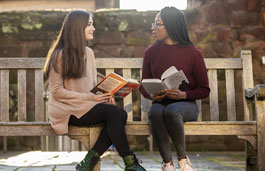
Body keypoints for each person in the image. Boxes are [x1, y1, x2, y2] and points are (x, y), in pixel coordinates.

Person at [43, 10, 146, 171]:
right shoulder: (60, 55)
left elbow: (90, 87)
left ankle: (89, 161)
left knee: (119, 113)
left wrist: (104, 96)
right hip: (67, 111)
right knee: (114, 114)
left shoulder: (88, 53)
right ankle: (129, 163)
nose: (93, 28)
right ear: (78, 27)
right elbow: (55, 91)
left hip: (85, 107)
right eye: (89, 25)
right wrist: (90, 99)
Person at [139, 7, 210, 171]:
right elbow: (143, 85)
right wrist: (152, 94)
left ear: (171, 26)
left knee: (172, 110)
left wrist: (183, 94)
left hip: (187, 105)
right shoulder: (150, 52)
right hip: (160, 103)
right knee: (155, 111)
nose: (153, 28)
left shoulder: (194, 53)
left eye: (158, 24)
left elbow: (204, 90)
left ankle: (183, 159)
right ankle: (167, 163)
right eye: (154, 24)